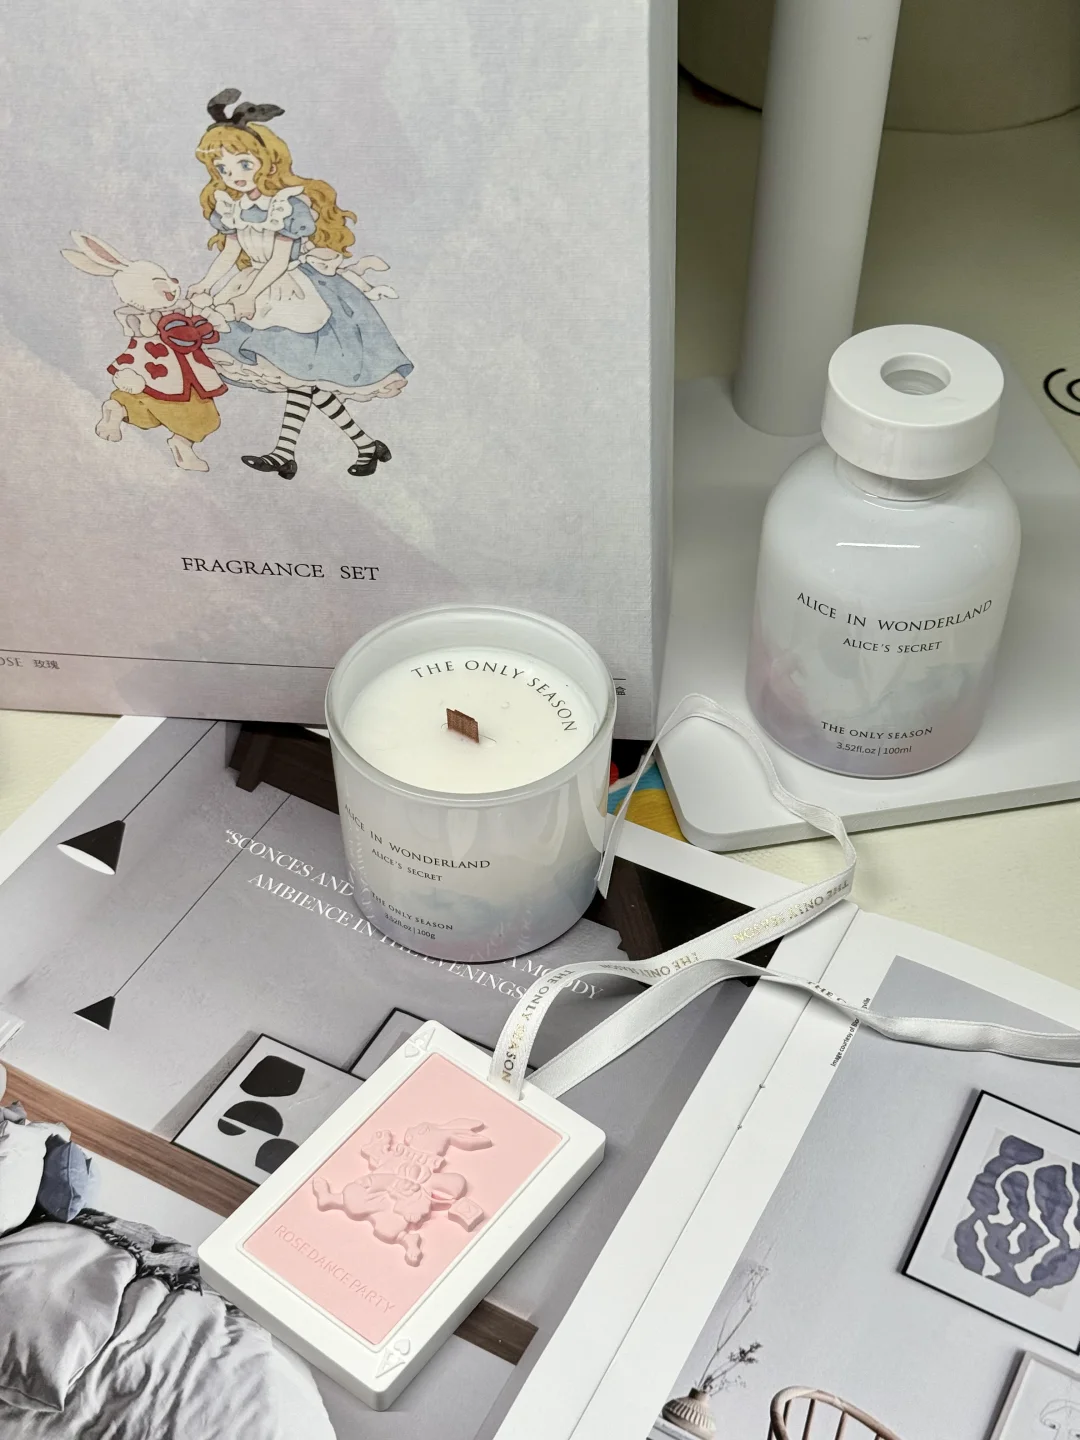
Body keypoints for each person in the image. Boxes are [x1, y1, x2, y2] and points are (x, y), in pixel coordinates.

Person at [188, 89, 412, 478]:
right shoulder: (231, 205)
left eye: (243, 163)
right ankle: (358, 445)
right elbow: (229, 251)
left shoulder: (286, 205)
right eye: (223, 168)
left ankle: (295, 452)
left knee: (301, 376)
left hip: (297, 293)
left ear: (267, 160)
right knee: (301, 379)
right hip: (255, 286)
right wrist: (205, 285)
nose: (234, 175)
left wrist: (249, 296)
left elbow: (279, 260)